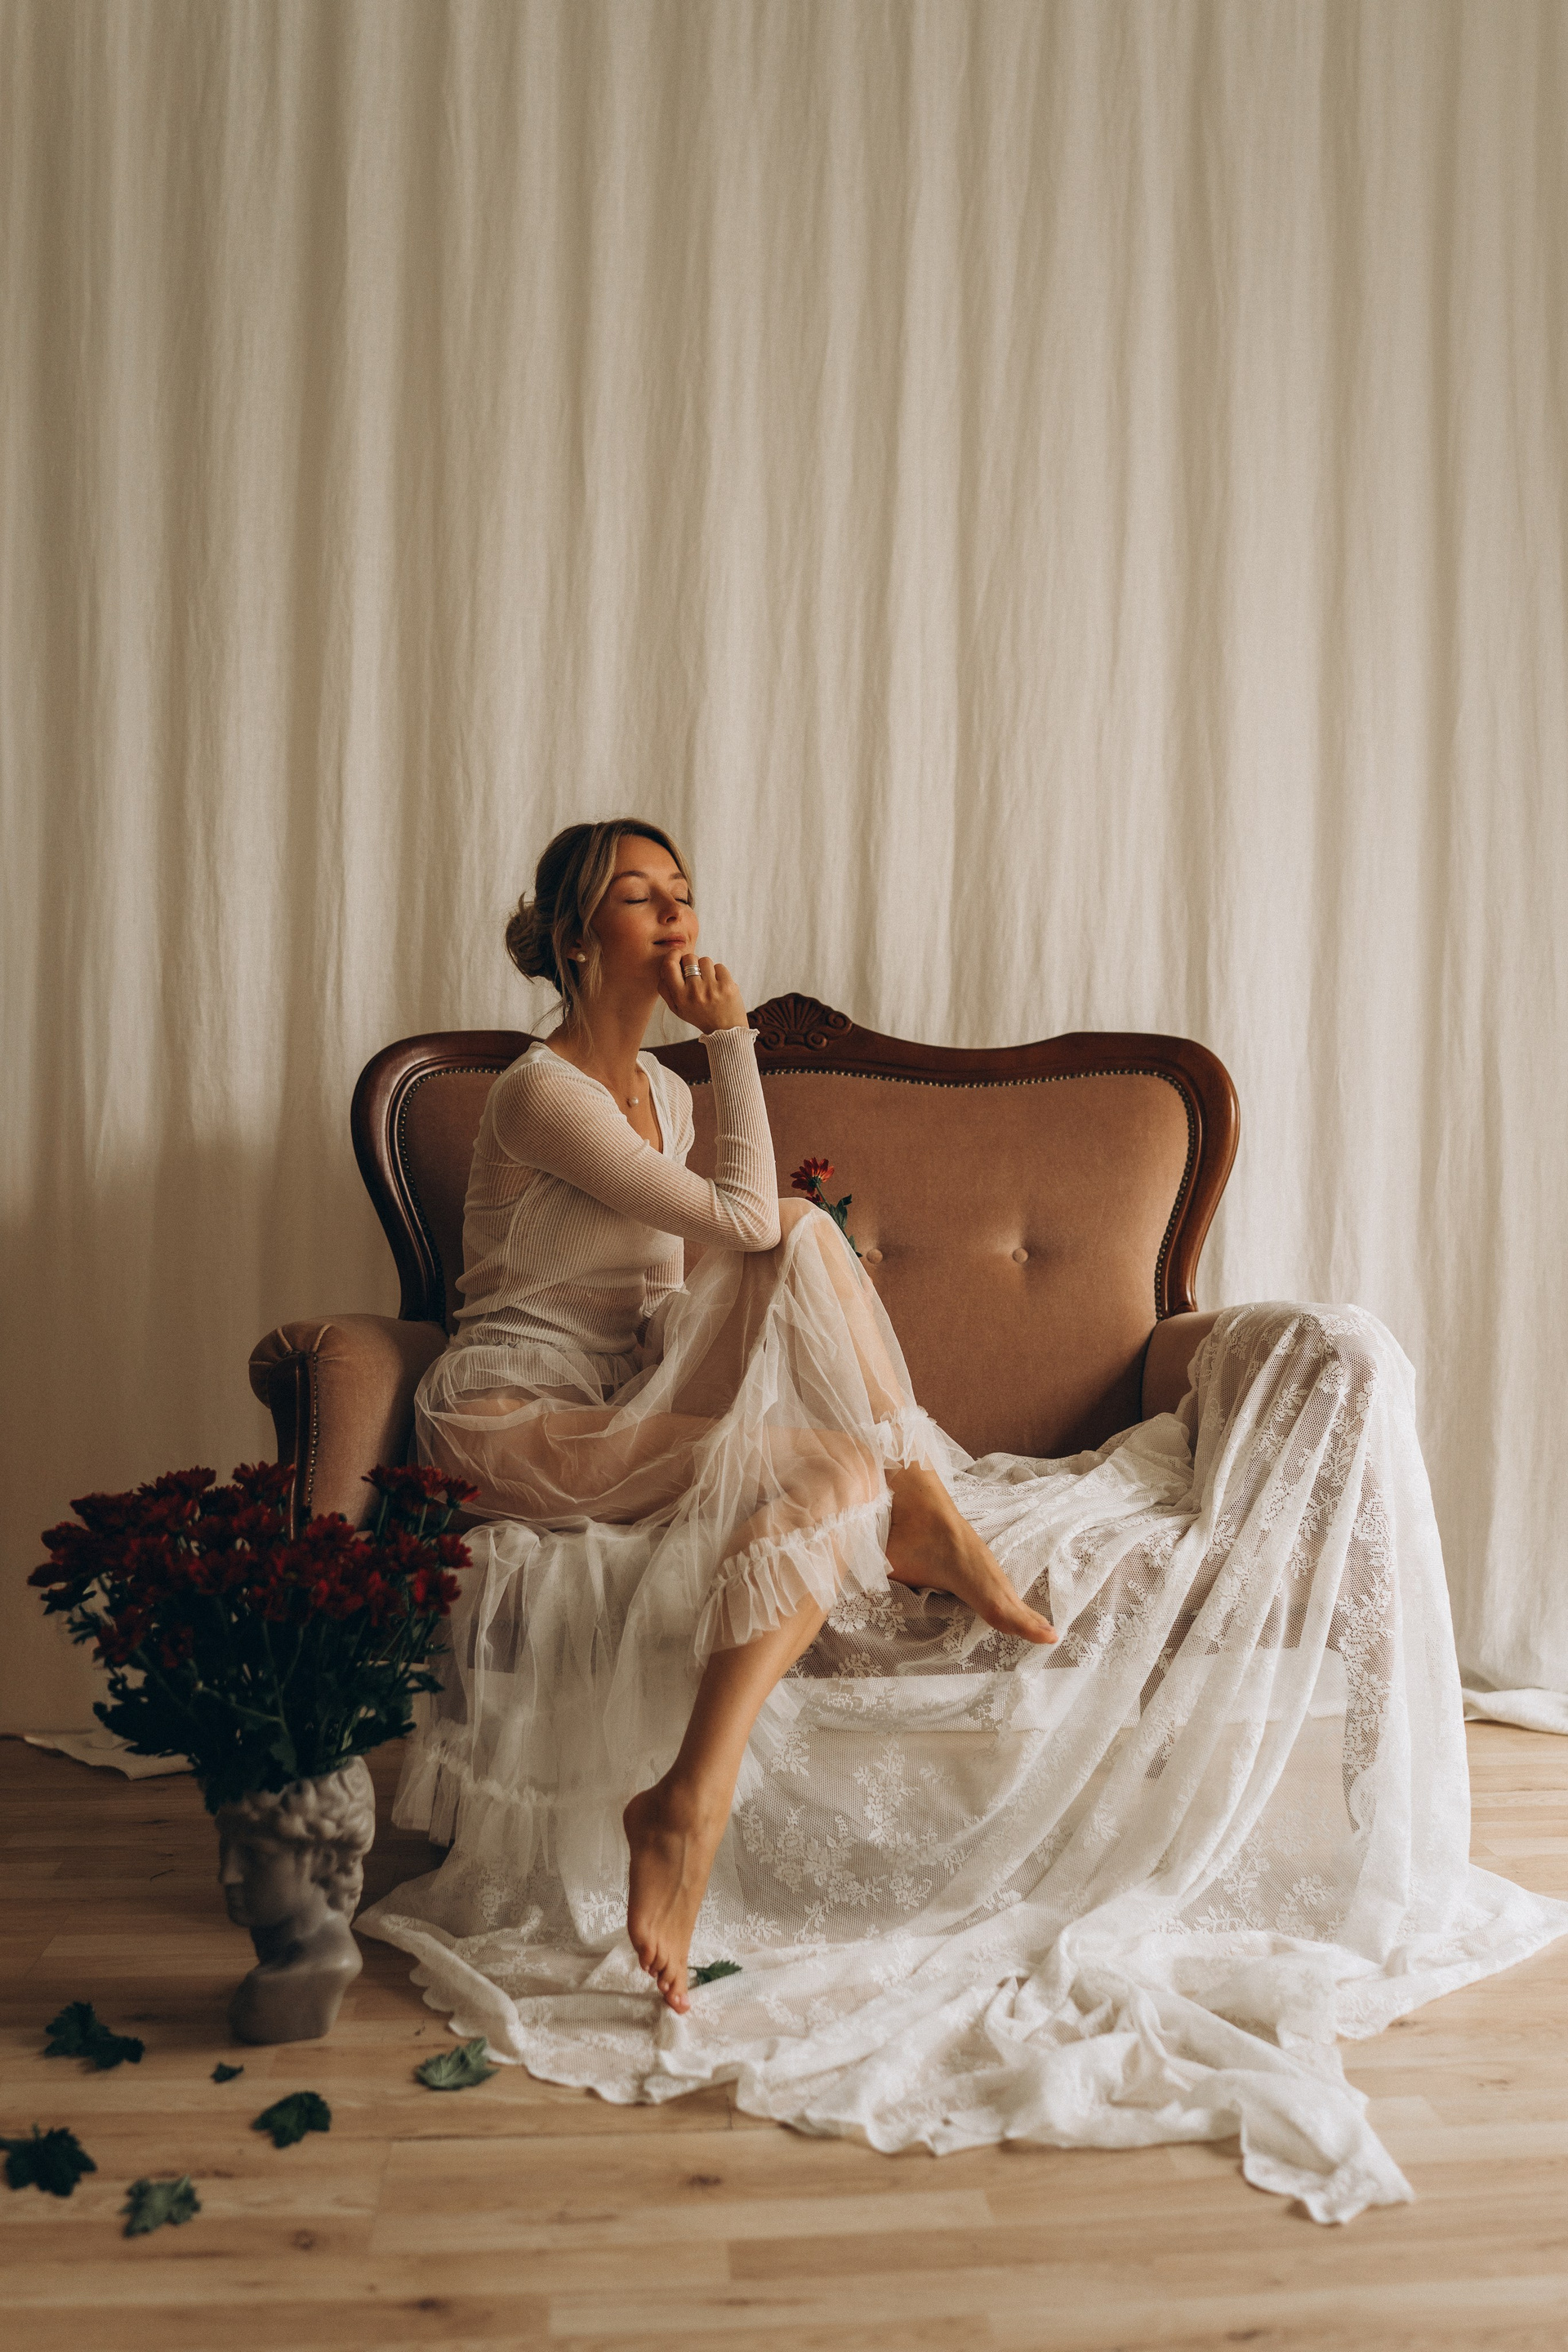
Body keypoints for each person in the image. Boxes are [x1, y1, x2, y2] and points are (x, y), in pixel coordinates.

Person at [359, 817, 1566, 2223]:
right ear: (576, 936)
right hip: (514, 1425)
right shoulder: (540, 1092)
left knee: (825, 1445)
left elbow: (695, 1274)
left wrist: (769, 1316)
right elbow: (741, 1221)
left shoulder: (663, 1103)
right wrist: (735, 1042)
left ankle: (687, 1798)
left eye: (683, 891)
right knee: (792, 1233)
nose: (677, 915)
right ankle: (925, 1504)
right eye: (641, 897)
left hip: (626, 1398)